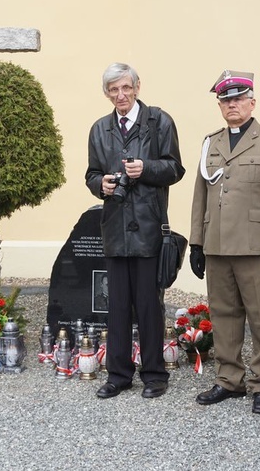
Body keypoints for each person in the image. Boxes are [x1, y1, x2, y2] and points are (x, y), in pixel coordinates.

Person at [189, 70, 260, 414]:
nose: (232, 105)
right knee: (223, 315)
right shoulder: (211, 142)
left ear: (252, 102)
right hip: (217, 245)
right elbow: (200, 195)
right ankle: (228, 379)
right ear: (219, 105)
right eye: (225, 100)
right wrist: (196, 243)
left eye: (238, 99)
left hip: (255, 246)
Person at [85, 63, 185, 399]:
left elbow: (175, 168)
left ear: (137, 87)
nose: (120, 95)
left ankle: (155, 374)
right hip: (114, 229)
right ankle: (118, 374)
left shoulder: (159, 122)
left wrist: (147, 168)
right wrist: (103, 185)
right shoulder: (100, 129)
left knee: (148, 306)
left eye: (125, 88)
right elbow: (91, 175)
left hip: (148, 227)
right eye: (113, 90)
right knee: (116, 306)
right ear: (107, 94)